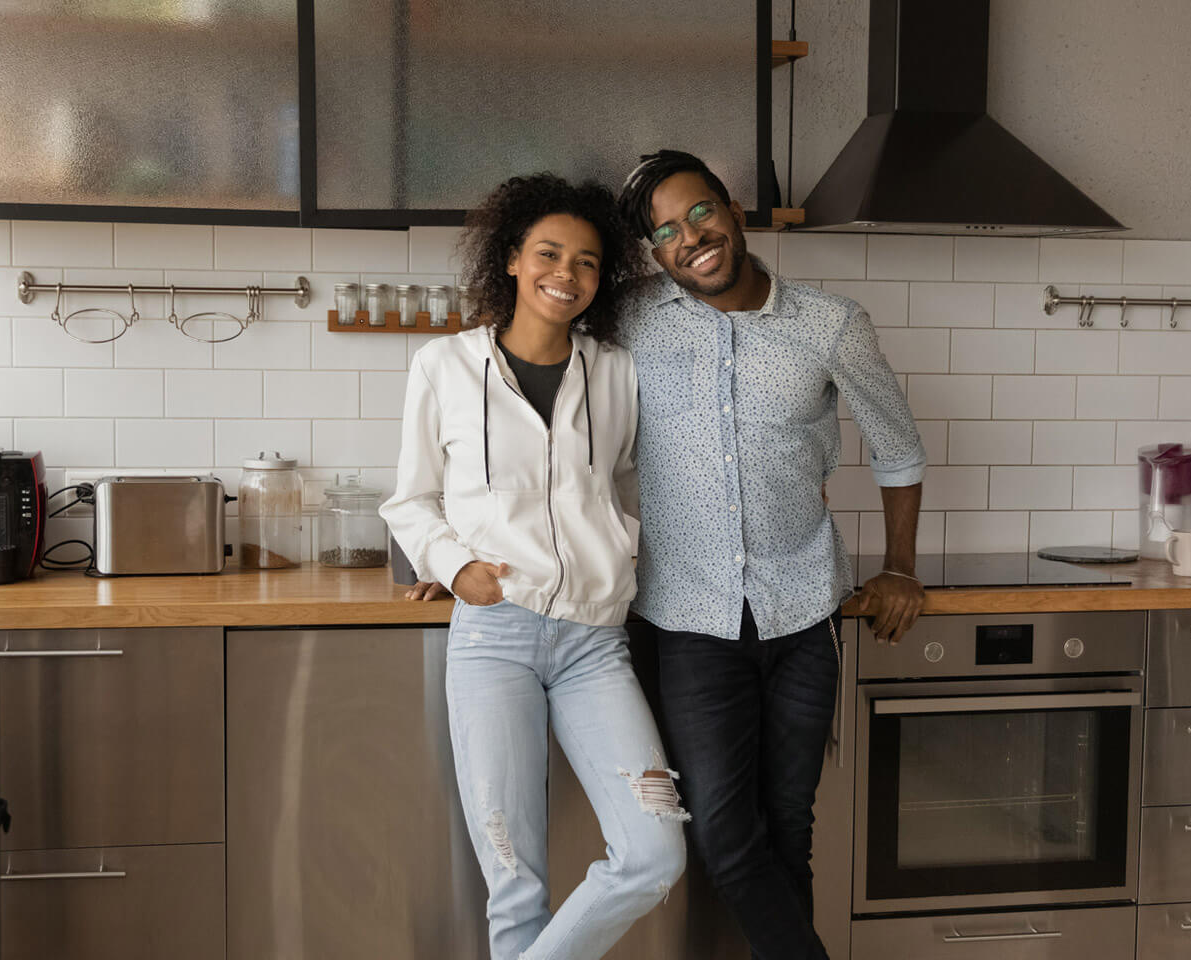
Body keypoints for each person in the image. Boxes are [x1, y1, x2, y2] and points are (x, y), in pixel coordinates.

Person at [613, 150, 927, 959]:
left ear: (733, 210)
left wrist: (899, 565)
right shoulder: (628, 320)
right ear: (654, 253)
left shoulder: (831, 324)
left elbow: (897, 446)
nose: (691, 238)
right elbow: (524, 396)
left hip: (803, 614)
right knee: (721, 832)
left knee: (790, 825)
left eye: (700, 214)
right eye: (667, 233)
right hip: (686, 619)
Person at [381, 172, 687, 960]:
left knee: (655, 853)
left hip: (595, 643)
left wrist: (617, 551)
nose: (567, 273)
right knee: (515, 880)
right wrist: (453, 567)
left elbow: (623, 484)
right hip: (494, 638)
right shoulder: (443, 367)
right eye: (549, 253)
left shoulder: (616, 369)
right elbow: (411, 500)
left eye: (588, 262)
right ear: (512, 259)